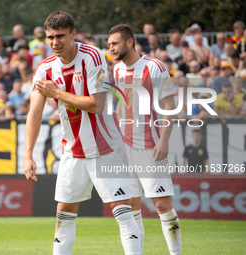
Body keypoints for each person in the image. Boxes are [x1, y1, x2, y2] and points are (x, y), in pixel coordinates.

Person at [24, 11, 142, 255]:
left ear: (73, 34)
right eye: (50, 37)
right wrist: (28, 155)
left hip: (105, 146)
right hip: (73, 149)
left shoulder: (92, 56)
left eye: (60, 36)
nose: (55, 42)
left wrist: (56, 93)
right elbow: (34, 114)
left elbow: (97, 105)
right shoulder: (45, 68)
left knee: (121, 211)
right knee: (64, 215)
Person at [108, 24, 181, 254]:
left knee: (162, 204)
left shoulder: (154, 66)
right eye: (109, 44)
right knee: (131, 206)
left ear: (129, 42)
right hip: (125, 148)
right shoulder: (117, 69)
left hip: (150, 145)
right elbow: (122, 102)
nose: (111, 48)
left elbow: (170, 106)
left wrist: (164, 141)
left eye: (115, 43)